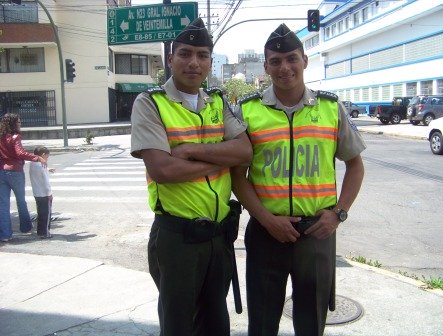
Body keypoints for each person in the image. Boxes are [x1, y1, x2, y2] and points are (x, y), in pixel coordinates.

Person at [231, 24, 366, 336]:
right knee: (262, 324)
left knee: (311, 324)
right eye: (275, 61)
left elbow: (355, 166)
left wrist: (338, 213)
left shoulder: (331, 108)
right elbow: (238, 177)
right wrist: (266, 219)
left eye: (291, 59)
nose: (285, 68)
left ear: (305, 61)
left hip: (317, 234)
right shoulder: (248, 110)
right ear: (265, 66)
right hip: (267, 234)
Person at [130, 18, 252, 336]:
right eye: (185, 54)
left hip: (218, 238)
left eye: (202, 55)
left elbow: (244, 151)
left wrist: (190, 151)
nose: (193, 62)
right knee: (179, 327)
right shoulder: (150, 103)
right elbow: (163, 170)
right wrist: (217, 161)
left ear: (210, 62)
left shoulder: (218, 101)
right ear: (171, 59)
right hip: (177, 239)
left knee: (215, 326)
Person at [0, 113, 47, 242]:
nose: (20, 124)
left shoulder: (1, 137)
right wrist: (37, 157)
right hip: (15, 172)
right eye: (19, 122)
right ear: (13, 124)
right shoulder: (16, 137)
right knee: (21, 201)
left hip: (1, 172)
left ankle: (4, 234)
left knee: (3, 205)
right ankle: (25, 227)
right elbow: (20, 153)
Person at [29, 146, 54, 239]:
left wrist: (48, 169)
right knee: (46, 214)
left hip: (37, 193)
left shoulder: (32, 164)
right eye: (47, 157)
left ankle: (40, 232)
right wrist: (49, 194)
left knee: (40, 213)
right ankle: (45, 232)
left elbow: (39, 172)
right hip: (44, 194)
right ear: (43, 155)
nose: (47, 159)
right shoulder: (42, 165)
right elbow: (45, 181)